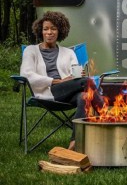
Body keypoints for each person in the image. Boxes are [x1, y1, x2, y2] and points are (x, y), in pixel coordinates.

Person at [19, 11, 104, 151]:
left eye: (53, 28)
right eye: (46, 29)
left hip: (68, 92)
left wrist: (77, 76)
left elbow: (74, 74)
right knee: (86, 82)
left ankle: (74, 142)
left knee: (84, 96)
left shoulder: (69, 53)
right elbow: (27, 74)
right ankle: (106, 113)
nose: (49, 32)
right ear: (41, 31)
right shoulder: (31, 50)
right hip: (47, 94)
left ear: (60, 31)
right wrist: (55, 81)